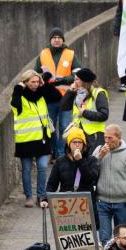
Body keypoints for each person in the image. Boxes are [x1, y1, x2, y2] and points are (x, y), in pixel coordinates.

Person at [43, 128, 100, 250]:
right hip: (66, 210)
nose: (77, 145)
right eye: (74, 142)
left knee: (85, 243)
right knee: (67, 243)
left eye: (80, 142)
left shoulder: (91, 160)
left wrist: (80, 161)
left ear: (84, 145)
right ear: (69, 144)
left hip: (85, 207)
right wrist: (45, 198)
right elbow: (52, 183)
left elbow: (91, 178)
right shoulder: (61, 161)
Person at [12, 69, 60, 207]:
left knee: (43, 166)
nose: (35, 84)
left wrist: (45, 84)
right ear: (25, 82)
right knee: (26, 170)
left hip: (43, 138)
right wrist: (17, 89)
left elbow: (57, 96)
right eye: (32, 82)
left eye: (37, 82)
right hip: (26, 140)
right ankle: (29, 197)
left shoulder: (41, 94)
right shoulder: (19, 96)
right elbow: (14, 105)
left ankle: (41, 196)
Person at [36, 28, 79, 158]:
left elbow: (78, 74)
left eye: (59, 37)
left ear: (63, 39)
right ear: (50, 40)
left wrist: (63, 79)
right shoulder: (43, 54)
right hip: (49, 97)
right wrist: (44, 77)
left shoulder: (70, 54)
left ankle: (60, 153)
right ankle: (54, 151)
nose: (56, 39)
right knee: (51, 127)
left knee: (65, 127)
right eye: (54, 37)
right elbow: (36, 74)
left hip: (67, 96)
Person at [93, 125, 126, 244]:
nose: (107, 141)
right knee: (105, 238)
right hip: (102, 202)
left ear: (119, 138)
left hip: (121, 202)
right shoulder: (99, 150)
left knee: (123, 238)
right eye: (105, 138)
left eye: (110, 138)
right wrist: (100, 156)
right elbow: (89, 170)